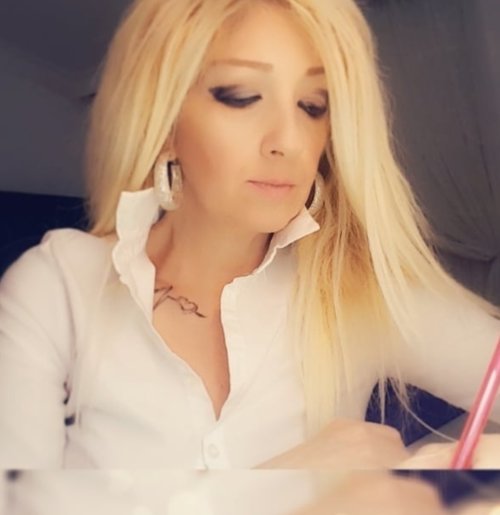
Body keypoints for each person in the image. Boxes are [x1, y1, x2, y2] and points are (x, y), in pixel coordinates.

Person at [0, 0, 499, 496]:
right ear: (165, 120)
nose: (288, 141)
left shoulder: (358, 293)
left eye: (313, 106)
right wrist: (283, 479)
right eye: (241, 97)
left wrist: (446, 475)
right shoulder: (57, 288)